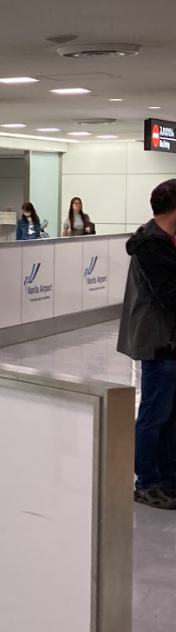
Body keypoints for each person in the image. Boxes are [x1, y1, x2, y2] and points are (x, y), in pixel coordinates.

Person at [117, 179, 176, 509]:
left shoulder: (166, 241)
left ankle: (169, 478)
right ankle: (148, 482)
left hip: (170, 342)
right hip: (159, 342)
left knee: (171, 416)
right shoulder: (151, 246)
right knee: (155, 415)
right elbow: (170, 295)